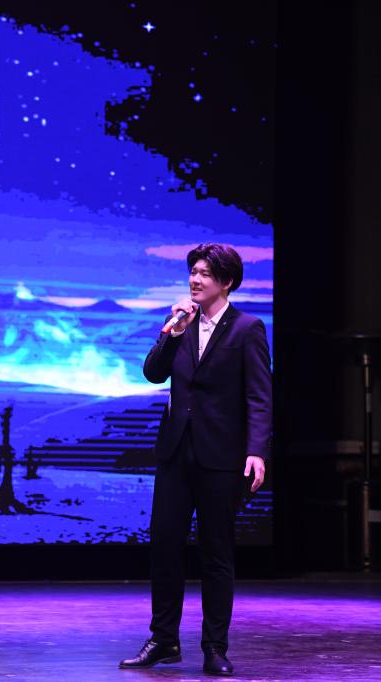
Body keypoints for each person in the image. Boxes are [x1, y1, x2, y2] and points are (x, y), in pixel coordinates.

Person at [119, 243, 271, 676]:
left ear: (227, 281)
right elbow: (153, 373)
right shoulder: (181, 325)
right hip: (176, 451)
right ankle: (163, 640)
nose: (195, 280)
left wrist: (257, 450)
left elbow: (259, 396)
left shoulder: (247, 328)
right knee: (165, 546)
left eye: (205, 273)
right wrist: (171, 333)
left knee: (216, 553)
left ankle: (215, 647)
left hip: (221, 455)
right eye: (193, 272)